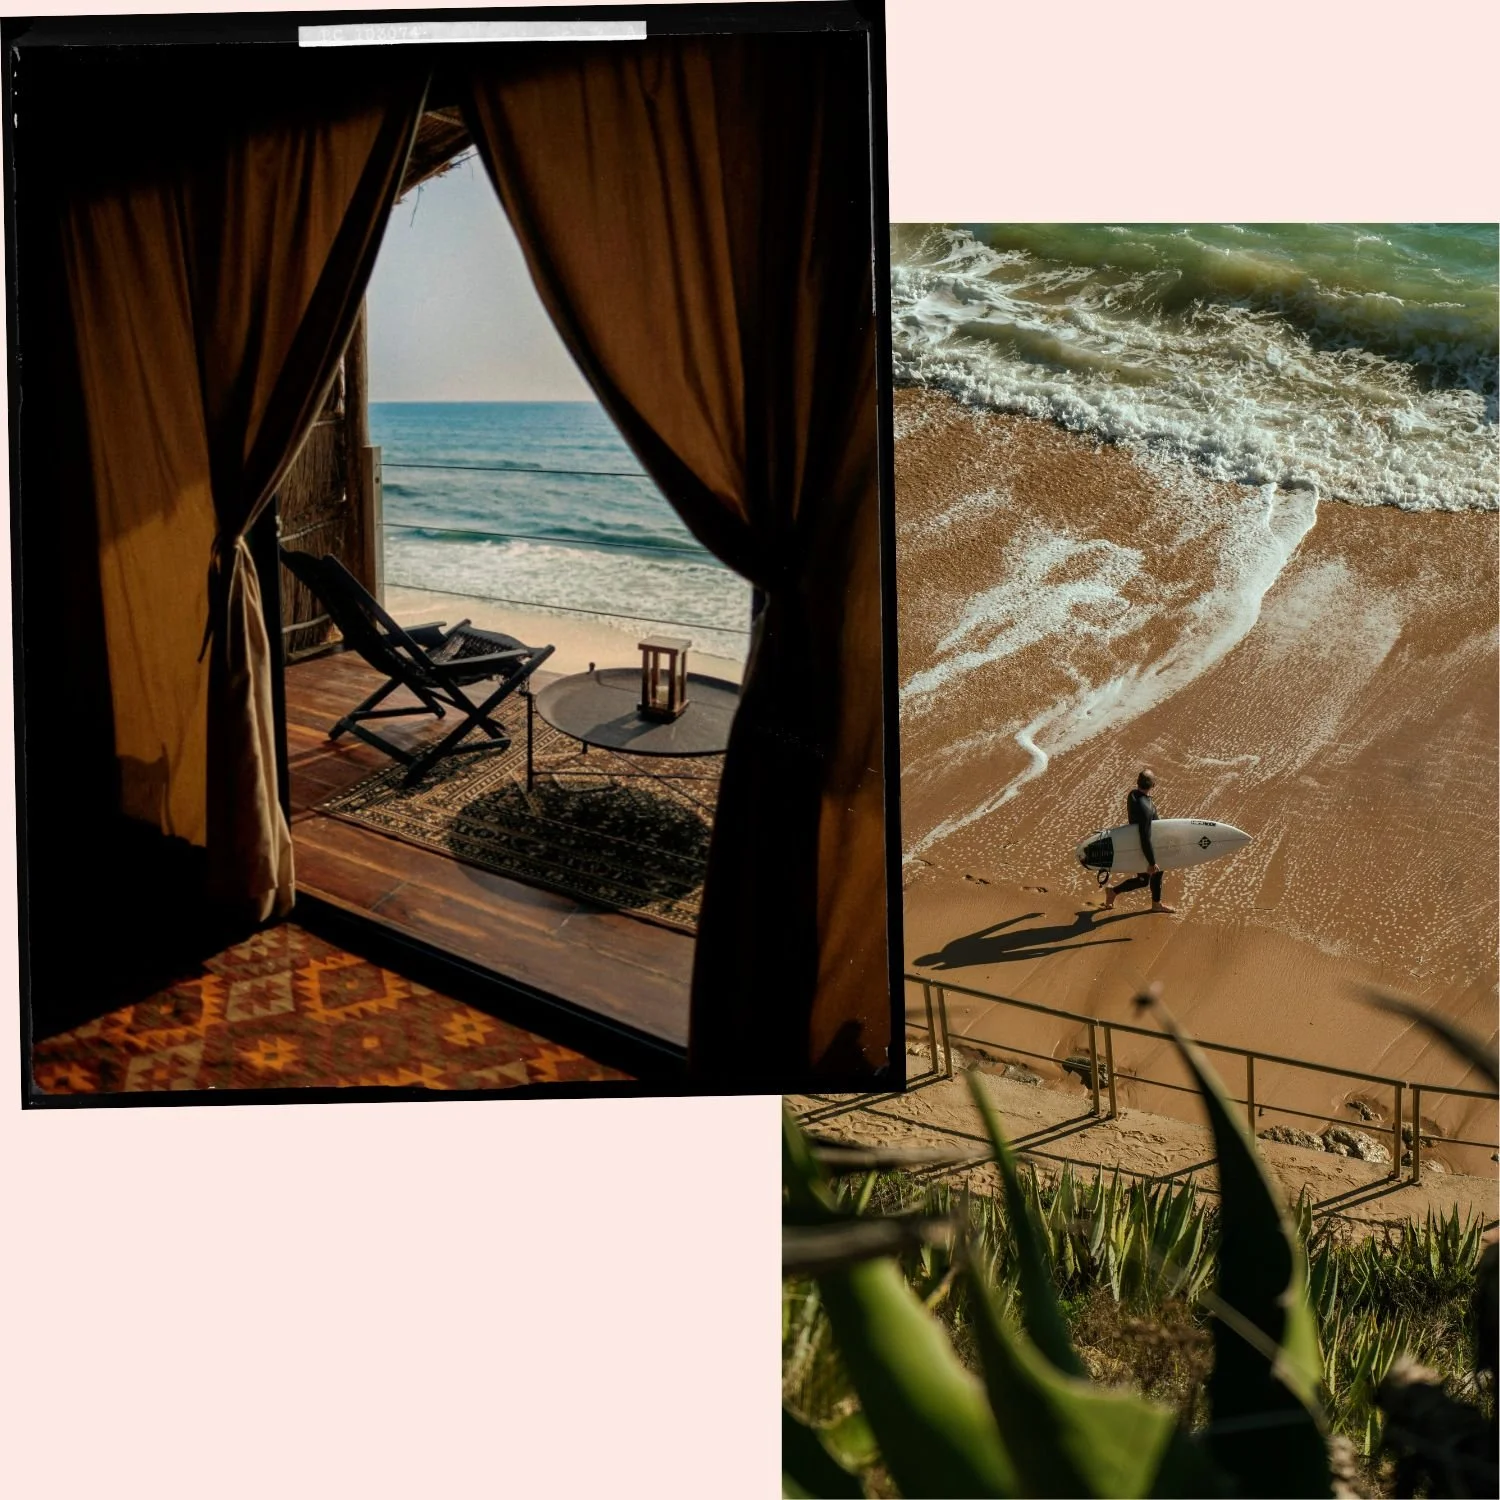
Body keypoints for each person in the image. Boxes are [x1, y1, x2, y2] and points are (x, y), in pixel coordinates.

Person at [1103, 768, 1176, 914]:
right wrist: (1151, 861)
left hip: (1136, 842)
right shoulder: (1146, 808)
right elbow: (1145, 836)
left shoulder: (1133, 795)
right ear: (1153, 785)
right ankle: (1155, 904)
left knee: (1144, 879)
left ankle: (1113, 892)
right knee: (1153, 873)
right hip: (1144, 847)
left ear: (1138, 782)